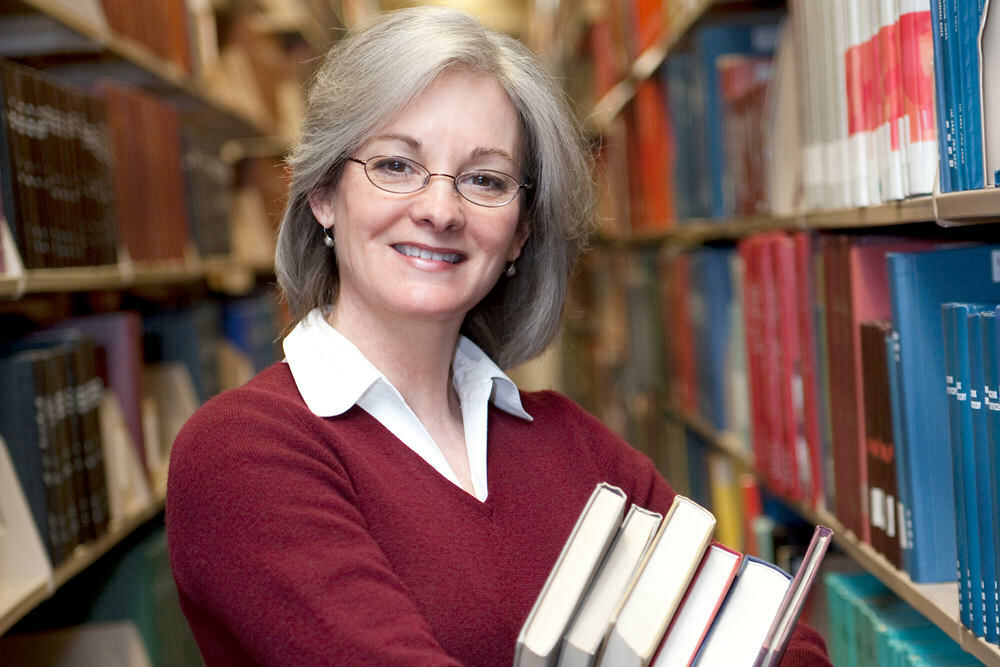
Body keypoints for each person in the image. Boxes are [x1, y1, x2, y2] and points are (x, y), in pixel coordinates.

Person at [166, 7, 831, 666]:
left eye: (485, 179)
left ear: (519, 231)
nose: (439, 209)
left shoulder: (570, 444)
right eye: (397, 165)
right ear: (322, 193)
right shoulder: (242, 453)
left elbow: (785, 643)